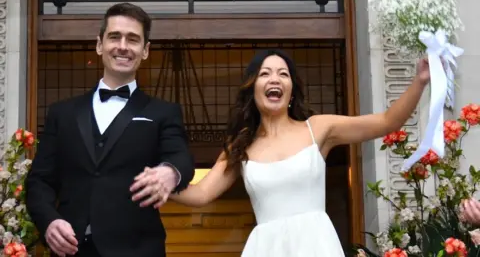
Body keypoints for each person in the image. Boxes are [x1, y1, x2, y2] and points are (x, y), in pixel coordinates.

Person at [132, 49, 431, 256]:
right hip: (267, 248)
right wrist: (158, 183)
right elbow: (200, 194)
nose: (274, 79)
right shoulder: (241, 146)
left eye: (283, 74)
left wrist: (419, 81)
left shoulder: (319, 129)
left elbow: (387, 121)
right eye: (265, 73)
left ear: (290, 89)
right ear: (254, 87)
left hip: (316, 245)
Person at [25, 3, 195, 257]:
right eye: (114, 37)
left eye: (133, 39)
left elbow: (182, 158)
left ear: (145, 50)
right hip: (72, 250)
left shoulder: (163, 112)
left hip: (138, 250)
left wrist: (171, 172)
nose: (123, 46)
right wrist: (49, 221)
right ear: (99, 44)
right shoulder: (62, 113)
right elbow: (39, 181)